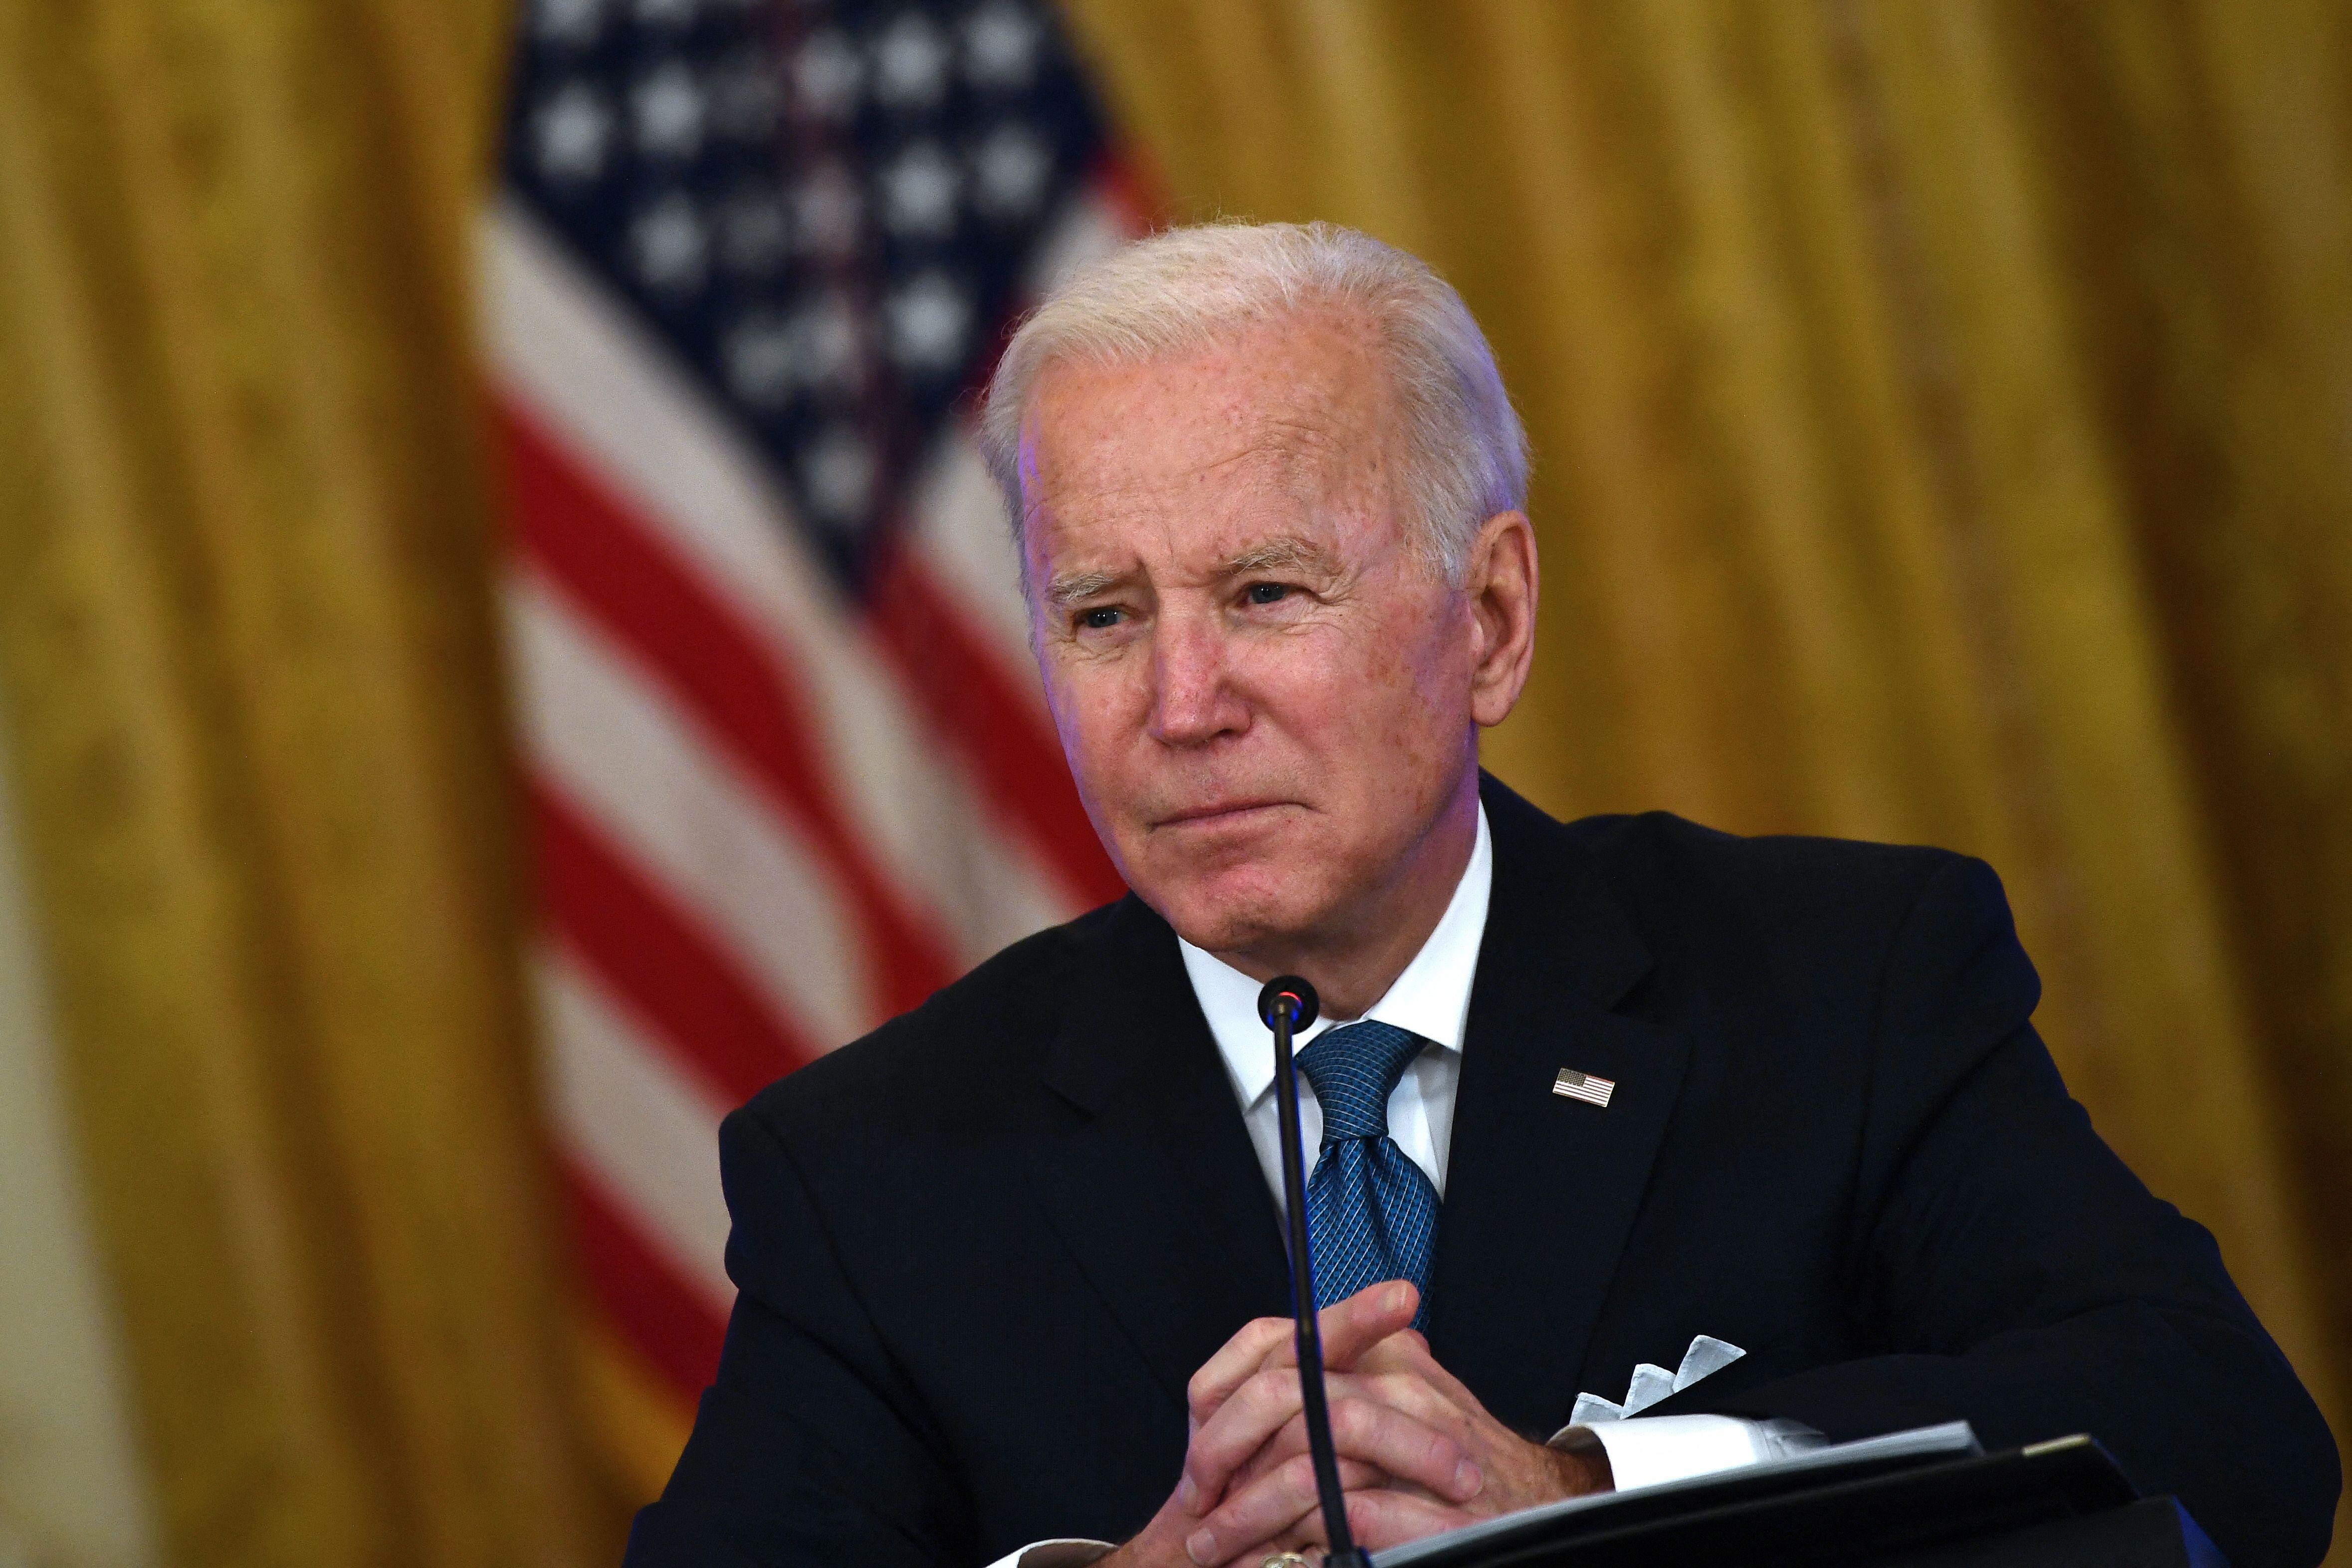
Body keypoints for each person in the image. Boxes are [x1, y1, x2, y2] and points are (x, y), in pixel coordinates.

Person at [623, 222, 2339, 1568]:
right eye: (1103, 615)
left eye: (1268, 590)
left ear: (1492, 620)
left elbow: (2224, 1441)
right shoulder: (873, 1170)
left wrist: (1587, 1489)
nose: (1181, 703)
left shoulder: (1840, 984)